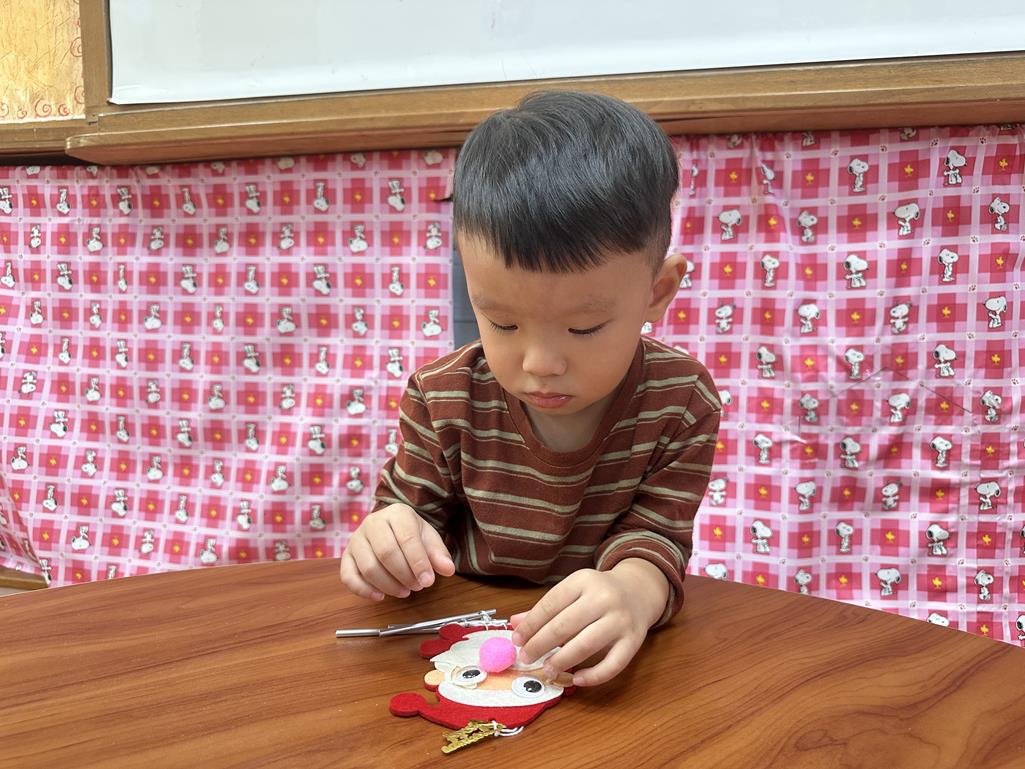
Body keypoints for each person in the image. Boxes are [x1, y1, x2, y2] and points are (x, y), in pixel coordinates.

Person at [340, 90, 721, 686]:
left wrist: (632, 592)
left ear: (658, 292)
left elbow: (656, 537)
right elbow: (409, 515)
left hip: (586, 660)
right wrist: (388, 538)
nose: (541, 364)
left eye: (584, 327)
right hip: (455, 642)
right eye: (502, 322)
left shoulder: (681, 401)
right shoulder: (442, 397)